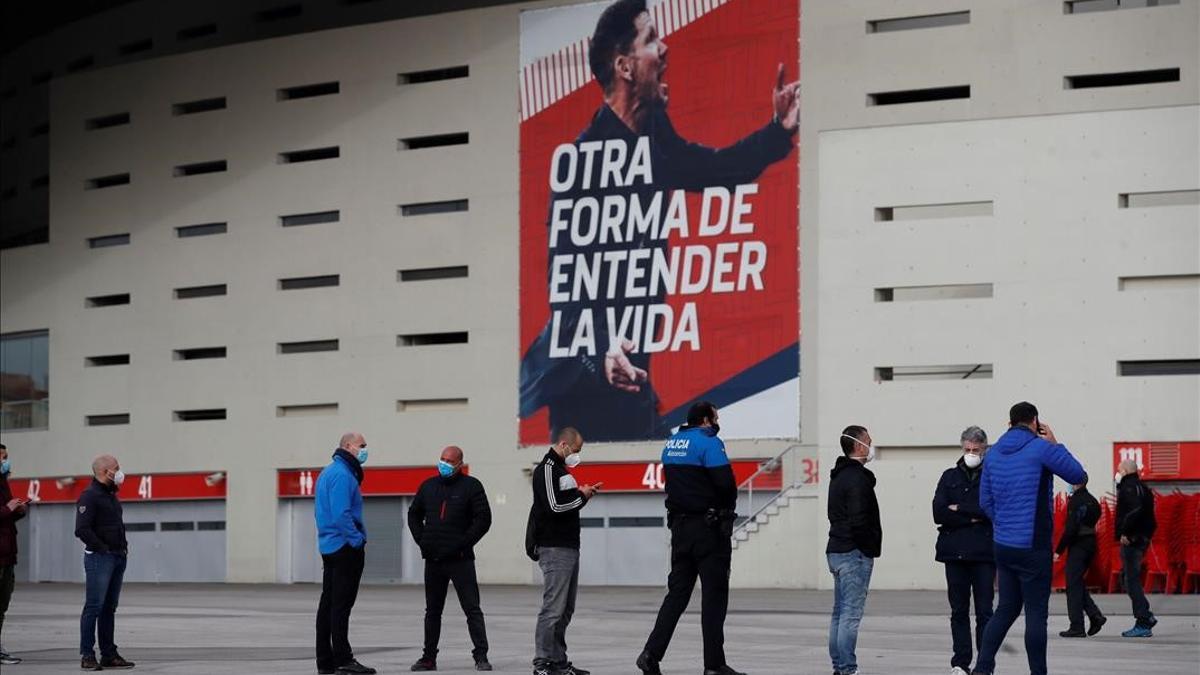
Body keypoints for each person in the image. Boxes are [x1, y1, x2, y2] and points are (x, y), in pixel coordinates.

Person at [518, 0, 801, 441]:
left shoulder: (652, 135)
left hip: (633, 384)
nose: (665, 50)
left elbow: (714, 168)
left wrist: (778, 131)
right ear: (625, 66)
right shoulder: (584, 159)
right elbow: (565, 283)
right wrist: (601, 350)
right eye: (651, 39)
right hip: (590, 395)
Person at [970, 402, 1086, 675]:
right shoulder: (1041, 448)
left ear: (1009, 423)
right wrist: (1056, 443)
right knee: (1036, 615)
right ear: (1035, 421)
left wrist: (1004, 524)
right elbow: (1078, 476)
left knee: (1005, 609)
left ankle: (983, 669)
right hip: (1033, 545)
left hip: (1004, 545)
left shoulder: (993, 453)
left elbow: (985, 500)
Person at [637, 401, 742, 675]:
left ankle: (651, 654)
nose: (717, 423)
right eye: (716, 418)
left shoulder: (672, 444)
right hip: (708, 531)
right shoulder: (709, 442)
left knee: (677, 595)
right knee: (714, 596)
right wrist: (726, 510)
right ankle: (714, 665)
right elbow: (726, 485)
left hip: (680, 530)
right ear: (706, 420)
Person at [408, 446, 493, 671]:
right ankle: (428, 658)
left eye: (449, 461)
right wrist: (421, 540)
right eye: (442, 459)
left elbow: (483, 519)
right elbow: (413, 514)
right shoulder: (428, 486)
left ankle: (481, 656)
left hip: (461, 560)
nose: (444, 464)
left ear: (459, 464)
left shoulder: (471, 486)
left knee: (472, 609)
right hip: (434, 560)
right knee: (432, 611)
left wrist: (463, 544)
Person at [527, 427, 598, 675]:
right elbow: (554, 507)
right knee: (553, 609)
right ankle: (542, 663)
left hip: (569, 546)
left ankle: (558, 662)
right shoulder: (546, 469)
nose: (577, 455)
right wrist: (582, 496)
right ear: (564, 444)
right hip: (554, 547)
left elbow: (563, 502)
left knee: (565, 610)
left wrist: (580, 494)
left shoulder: (562, 471)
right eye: (576, 450)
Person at [932, 427, 994, 675]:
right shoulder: (949, 477)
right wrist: (971, 517)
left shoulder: (992, 476)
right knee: (958, 611)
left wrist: (959, 508)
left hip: (984, 555)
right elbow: (939, 512)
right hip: (954, 553)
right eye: (967, 449)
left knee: (985, 613)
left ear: (984, 450)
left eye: (975, 450)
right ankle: (960, 662)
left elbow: (992, 510)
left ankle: (985, 664)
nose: (971, 454)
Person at [314, 433, 375, 675]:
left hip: (329, 546)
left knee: (328, 605)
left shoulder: (329, 472)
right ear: (348, 446)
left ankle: (325, 661)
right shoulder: (342, 475)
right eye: (362, 446)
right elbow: (341, 514)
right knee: (340, 606)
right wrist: (356, 540)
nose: (365, 450)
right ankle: (343, 659)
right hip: (344, 548)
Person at [826, 425, 882, 675]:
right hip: (852, 553)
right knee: (850, 614)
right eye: (868, 442)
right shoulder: (857, 478)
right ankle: (848, 669)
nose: (871, 446)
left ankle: (839, 666)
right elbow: (859, 519)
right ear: (858, 446)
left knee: (839, 614)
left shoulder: (837, 476)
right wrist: (869, 548)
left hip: (836, 549)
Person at [75, 454, 135, 671]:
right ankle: (87, 655)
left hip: (118, 556)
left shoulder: (110, 495)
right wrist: (102, 549)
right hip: (100, 558)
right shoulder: (89, 496)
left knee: (109, 608)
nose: (120, 472)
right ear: (104, 471)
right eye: (116, 468)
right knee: (94, 606)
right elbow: (81, 529)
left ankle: (108, 654)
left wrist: (122, 549)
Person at [1055, 476, 1105, 638]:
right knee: (1076, 583)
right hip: (1091, 543)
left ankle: (1077, 626)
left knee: (1072, 586)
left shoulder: (1076, 501)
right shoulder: (1093, 501)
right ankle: (1095, 615)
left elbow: (1071, 529)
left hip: (1078, 545)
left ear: (1077, 482)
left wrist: (1058, 550)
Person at [1114, 458, 1158, 638]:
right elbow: (1150, 517)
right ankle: (1145, 615)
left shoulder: (1129, 488)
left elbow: (1134, 510)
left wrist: (1126, 533)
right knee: (1128, 579)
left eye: (1118, 469)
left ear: (1125, 470)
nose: (1117, 472)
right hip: (1141, 538)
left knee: (1131, 580)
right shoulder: (1144, 488)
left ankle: (1143, 619)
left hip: (1132, 539)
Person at [0, 443, 28, 666]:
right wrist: (7, 508)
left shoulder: (3, 484)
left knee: (2, 604)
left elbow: (6, 519)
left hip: (8, 555)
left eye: (6, 457)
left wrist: (18, 511)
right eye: (1, 457)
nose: (5, 461)